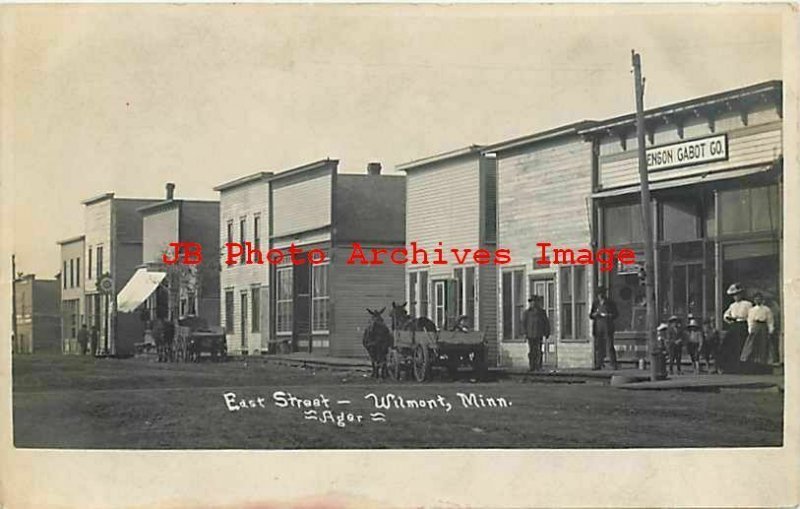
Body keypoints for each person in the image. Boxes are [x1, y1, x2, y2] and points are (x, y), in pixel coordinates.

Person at [740, 292, 774, 372]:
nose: (757, 300)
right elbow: (750, 320)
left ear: (762, 300)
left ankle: (762, 364)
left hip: (763, 326)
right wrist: (750, 328)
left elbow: (770, 320)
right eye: (756, 299)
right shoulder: (752, 310)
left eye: (759, 299)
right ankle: (751, 363)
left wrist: (770, 329)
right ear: (754, 300)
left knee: (763, 345)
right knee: (752, 345)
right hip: (755, 327)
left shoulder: (766, 309)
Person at [722, 283, 752, 373]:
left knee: (741, 346)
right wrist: (729, 318)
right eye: (734, 295)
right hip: (734, 326)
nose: (736, 297)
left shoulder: (748, 304)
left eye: (738, 295)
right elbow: (726, 314)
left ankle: (742, 367)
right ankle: (730, 367)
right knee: (730, 345)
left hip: (743, 325)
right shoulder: (732, 305)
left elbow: (751, 315)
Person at [590, 286, 618, 370]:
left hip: (607, 326)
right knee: (599, 346)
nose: (600, 296)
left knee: (609, 345)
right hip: (598, 326)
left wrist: (609, 315)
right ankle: (599, 364)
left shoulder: (610, 303)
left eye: (602, 294)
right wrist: (594, 315)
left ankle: (613, 363)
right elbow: (591, 315)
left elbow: (616, 314)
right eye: (599, 294)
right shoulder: (595, 303)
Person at [522, 295, 550, 372]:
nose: (532, 303)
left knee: (538, 350)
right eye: (531, 302)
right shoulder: (527, 313)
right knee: (531, 351)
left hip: (539, 334)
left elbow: (546, 323)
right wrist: (525, 333)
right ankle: (532, 366)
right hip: (530, 335)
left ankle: (539, 366)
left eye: (534, 301)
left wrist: (547, 332)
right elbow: (524, 324)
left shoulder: (541, 312)